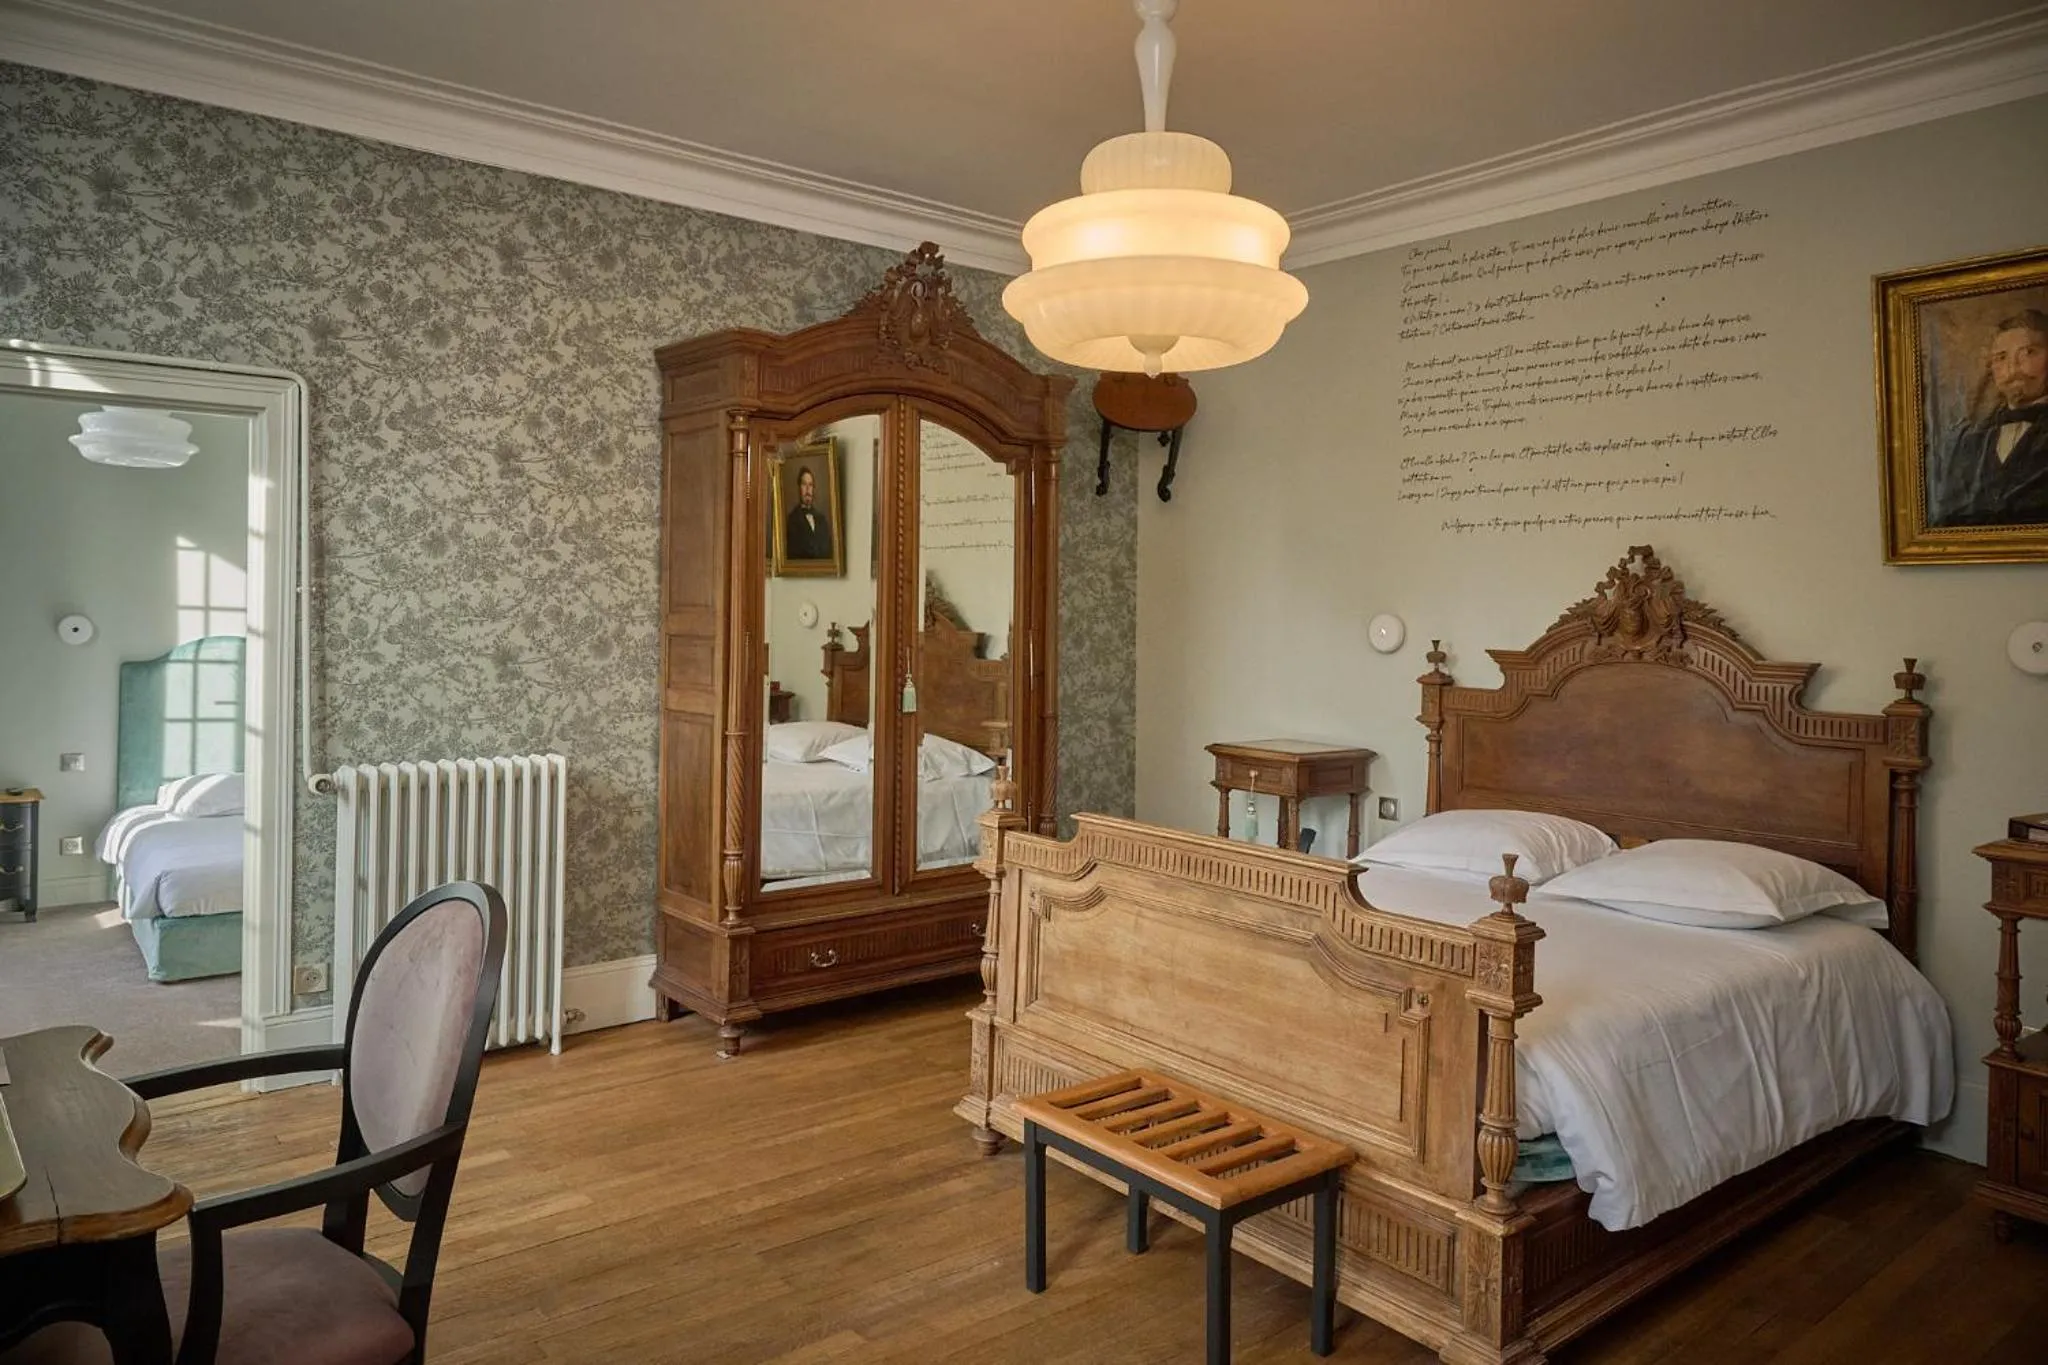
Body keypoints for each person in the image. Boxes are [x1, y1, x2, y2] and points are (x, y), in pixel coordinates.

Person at [1927, 307, 2048, 528]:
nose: (2013, 368)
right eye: (2001, 357)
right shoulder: (1967, 438)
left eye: (2029, 352)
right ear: (1991, 368)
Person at [783, 465, 834, 560]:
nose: (807, 489)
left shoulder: (822, 520)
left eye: (810, 485)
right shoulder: (792, 520)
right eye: (804, 484)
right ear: (799, 488)